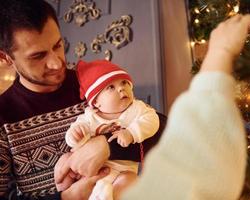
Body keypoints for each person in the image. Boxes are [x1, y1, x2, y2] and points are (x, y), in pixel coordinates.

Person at [0, 1, 147, 199]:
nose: (55, 62)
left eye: (57, 45)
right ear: (6, 58)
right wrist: (68, 197)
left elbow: (157, 127)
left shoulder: (94, 84)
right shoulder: (3, 116)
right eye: (38, 56)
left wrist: (107, 147)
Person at [120, 14, 250, 199]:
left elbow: (156, 124)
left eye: (65, 44)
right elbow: (188, 174)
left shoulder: (137, 109)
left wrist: (113, 144)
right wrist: (220, 52)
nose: (120, 90)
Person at [54, 60, 159, 200]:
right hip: (87, 172)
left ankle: (105, 196)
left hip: (121, 172)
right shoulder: (89, 116)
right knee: (64, 161)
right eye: (111, 87)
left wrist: (131, 133)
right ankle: (66, 189)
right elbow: (76, 132)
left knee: (130, 180)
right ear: (96, 102)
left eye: (124, 83)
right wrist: (74, 135)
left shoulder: (137, 108)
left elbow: (153, 120)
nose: (121, 88)